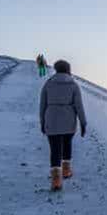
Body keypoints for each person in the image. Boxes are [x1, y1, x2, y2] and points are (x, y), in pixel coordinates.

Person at [39, 59, 87, 191]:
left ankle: (56, 181)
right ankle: (66, 171)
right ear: (68, 69)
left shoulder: (48, 84)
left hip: (52, 120)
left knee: (55, 149)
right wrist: (83, 123)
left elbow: (42, 105)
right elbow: (79, 106)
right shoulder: (73, 85)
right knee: (67, 143)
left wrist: (42, 122)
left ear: (56, 69)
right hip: (68, 120)